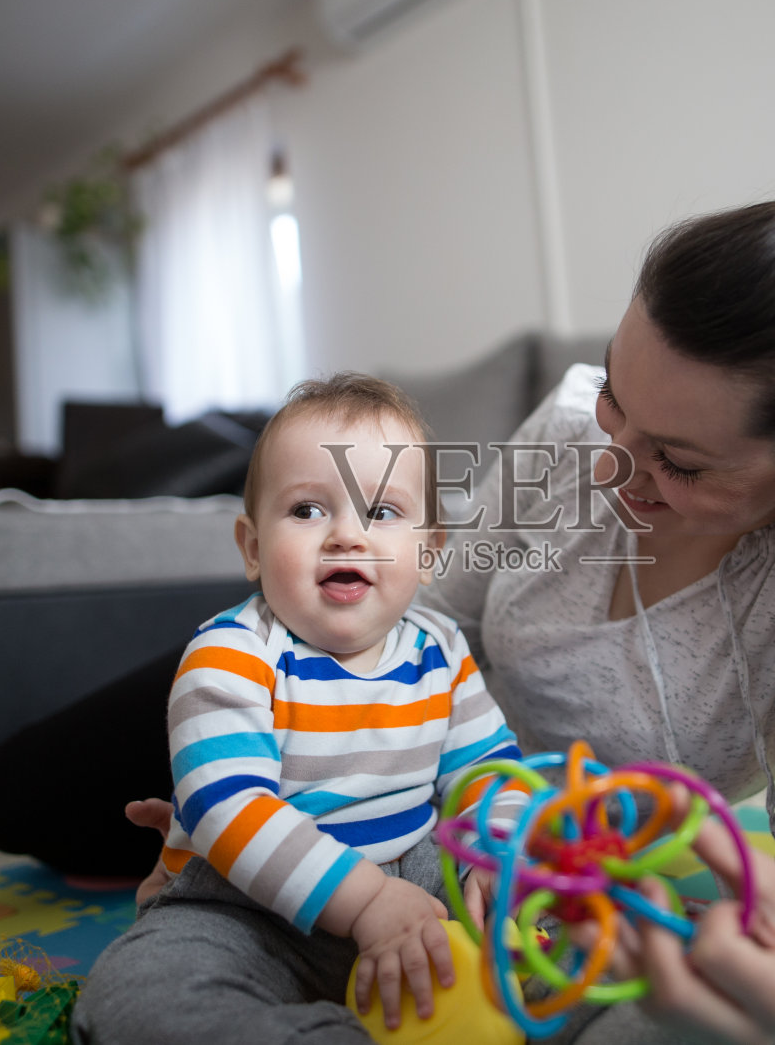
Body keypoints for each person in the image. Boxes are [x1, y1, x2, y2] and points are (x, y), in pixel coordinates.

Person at [0, 185, 775, 1045]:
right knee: (19, 800)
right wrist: (269, 788)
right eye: (615, 393)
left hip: (506, 863)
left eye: (679, 460)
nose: (614, 463)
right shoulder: (570, 443)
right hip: (340, 733)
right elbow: (411, 627)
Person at [70, 374, 525, 1043]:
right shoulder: (230, 653)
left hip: (421, 886)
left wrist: (495, 853)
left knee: (560, 932)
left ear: (429, 552)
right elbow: (230, 808)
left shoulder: (441, 647)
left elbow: (487, 766)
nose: (345, 534)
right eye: (309, 510)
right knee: (133, 995)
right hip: (250, 909)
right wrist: (367, 900)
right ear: (253, 548)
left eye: (383, 512)